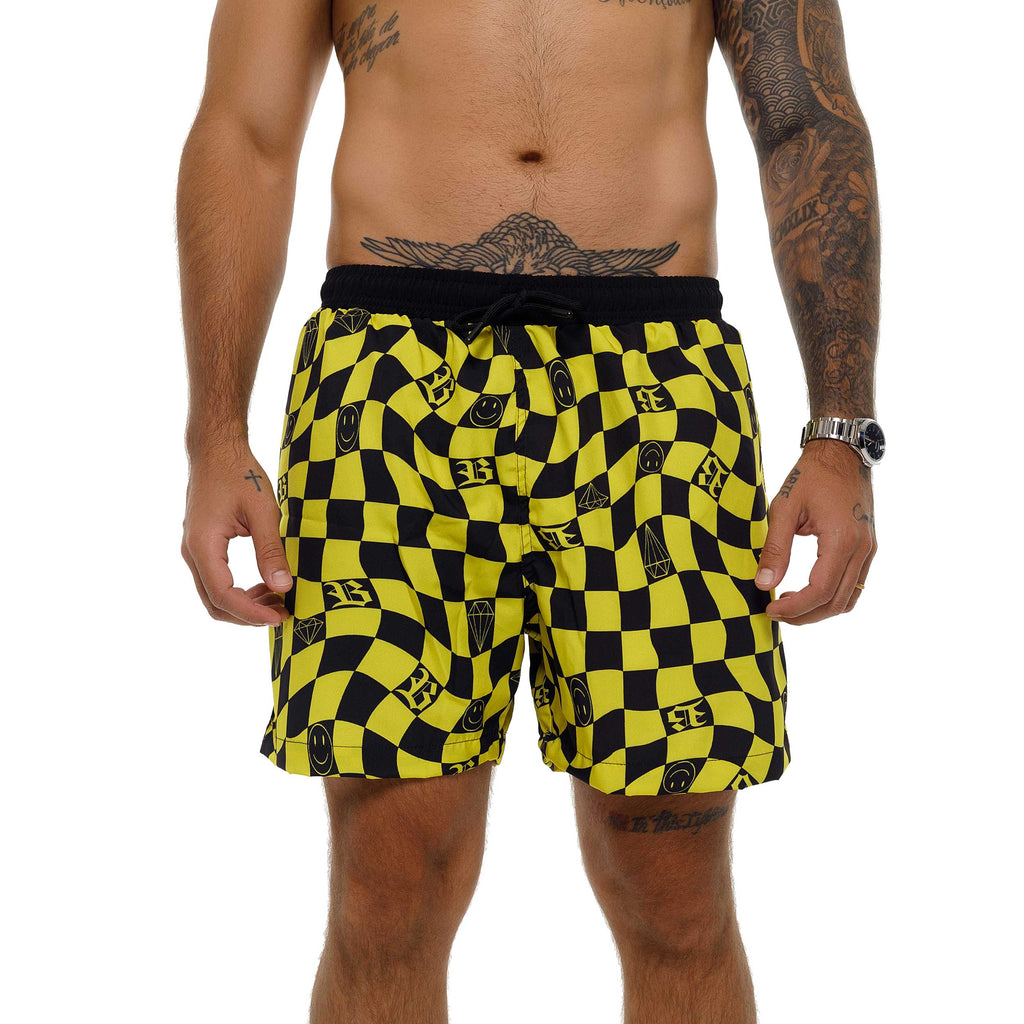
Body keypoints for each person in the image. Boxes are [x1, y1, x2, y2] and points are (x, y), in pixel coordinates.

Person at [177, 1, 882, 1021]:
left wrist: (840, 432)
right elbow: (244, 131)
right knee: (388, 888)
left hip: (656, 387)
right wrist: (214, 435)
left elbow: (805, 120)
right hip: (388, 383)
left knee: (674, 892)